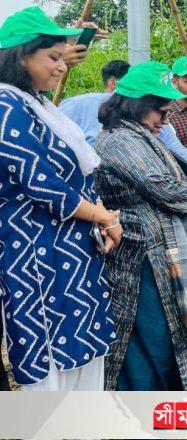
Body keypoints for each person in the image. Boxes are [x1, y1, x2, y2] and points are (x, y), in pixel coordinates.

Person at [93, 61, 187, 391]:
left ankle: (165, 411)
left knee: (169, 340)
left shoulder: (143, 134)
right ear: (138, 105)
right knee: (151, 341)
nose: (165, 118)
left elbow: (176, 173)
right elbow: (162, 187)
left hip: (165, 258)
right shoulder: (118, 140)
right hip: (143, 260)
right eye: (160, 110)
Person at [0, 6, 119, 391]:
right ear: (21, 58)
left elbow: (75, 175)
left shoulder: (37, 104)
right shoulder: (6, 106)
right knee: (51, 355)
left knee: (82, 348)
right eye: (52, 57)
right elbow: (43, 183)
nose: (61, 67)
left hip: (70, 251)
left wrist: (100, 218)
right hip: (37, 254)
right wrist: (103, 216)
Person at [59, 59, 187, 230]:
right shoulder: (90, 117)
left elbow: (184, 157)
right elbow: (157, 183)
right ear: (140, 106)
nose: (165, 120)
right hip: (104, 216)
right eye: (162, 113)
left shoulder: (154, 126)